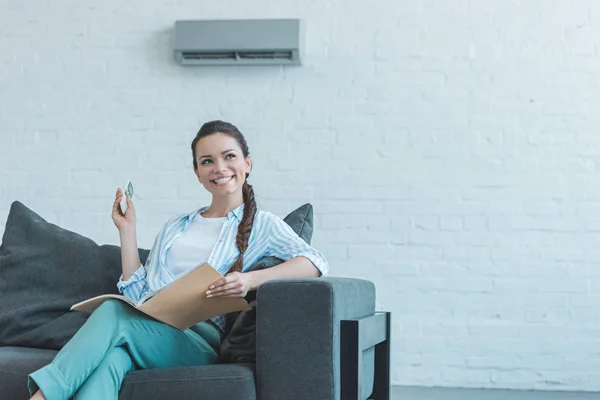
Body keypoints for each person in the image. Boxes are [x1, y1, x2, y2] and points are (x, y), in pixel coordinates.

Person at [28, 120, 329, 400]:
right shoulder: (176, 226)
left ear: (247, 163)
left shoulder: (263, 224)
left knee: (111, 314)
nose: (219, 167)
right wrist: (127, 230)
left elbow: (314, 263)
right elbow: (137, 292)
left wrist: (249, 280)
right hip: (149, 326)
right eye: (207, 161)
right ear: (197, 173)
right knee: (112, 359)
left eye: (229, 157)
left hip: (197, 341)